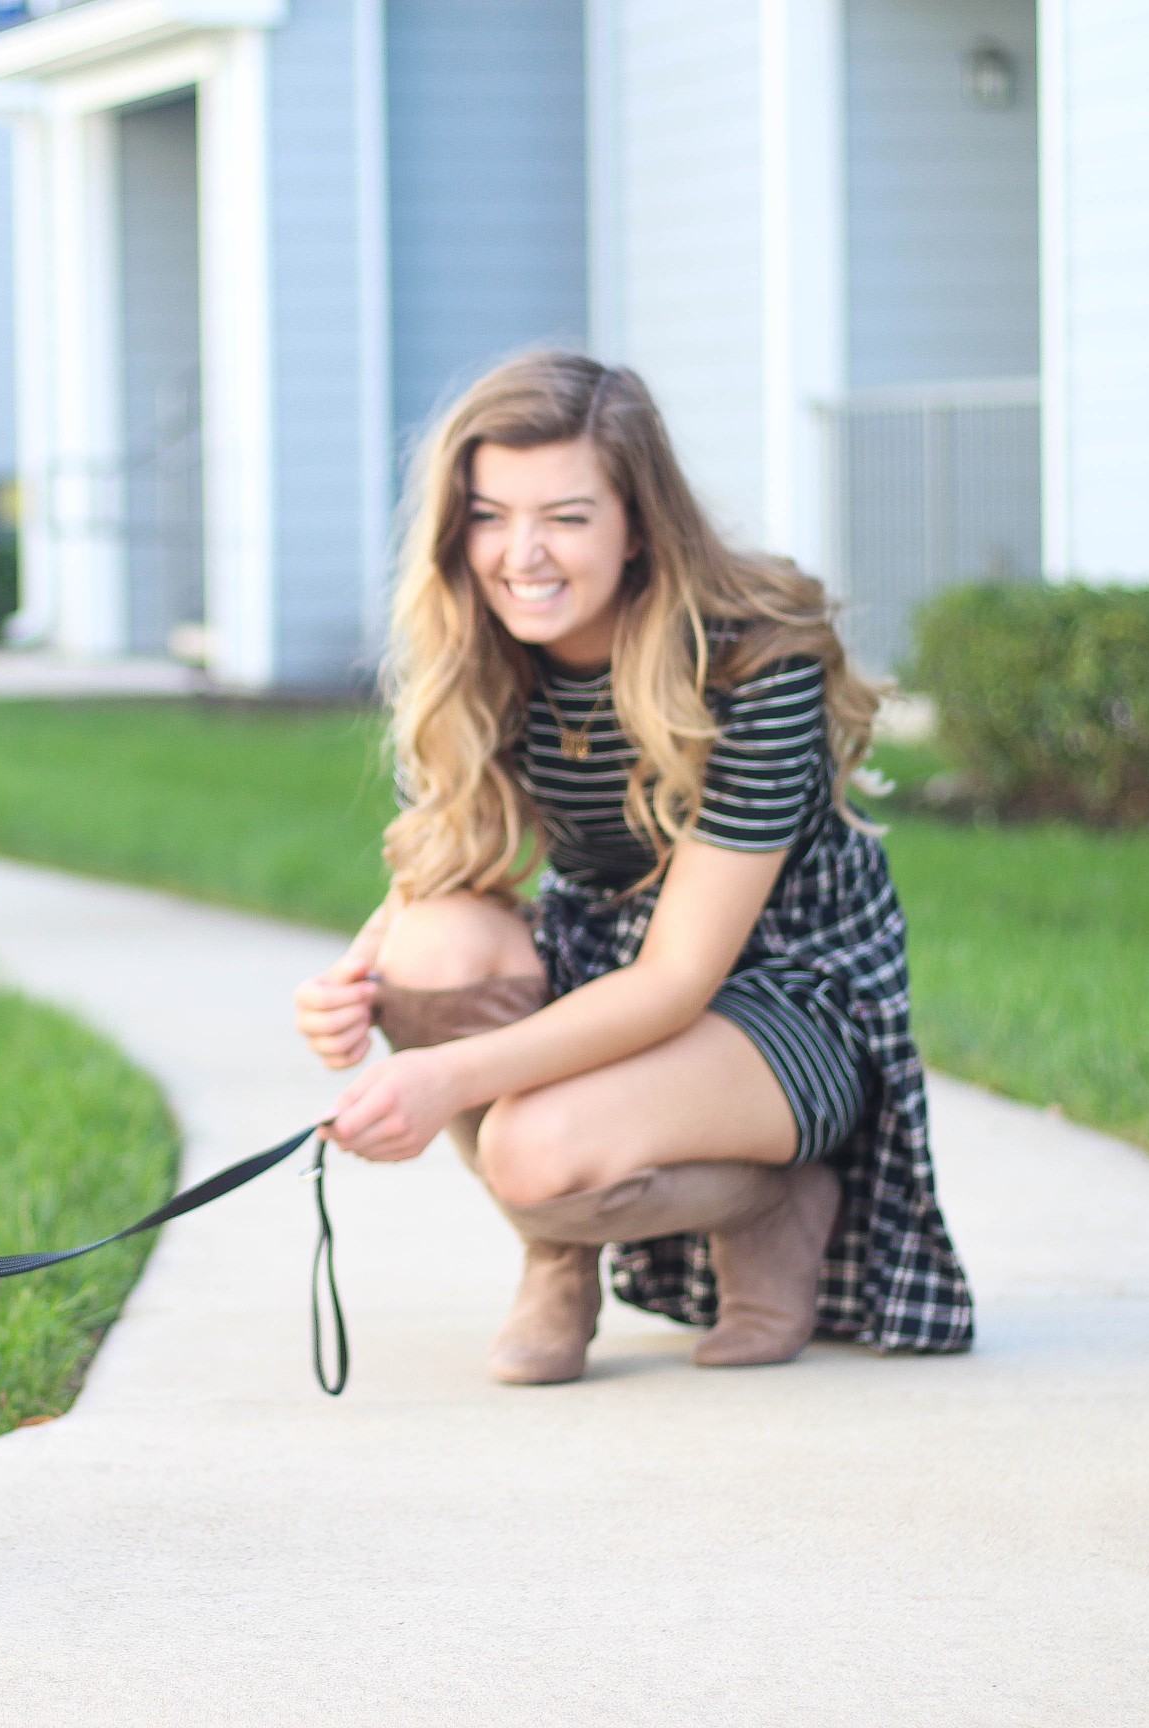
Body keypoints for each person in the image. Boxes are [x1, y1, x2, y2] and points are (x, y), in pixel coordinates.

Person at [295, 352, 971, 1385]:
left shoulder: (752, 660)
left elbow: (678, 977)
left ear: (638, 525)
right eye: (489, 515)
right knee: (431, 950)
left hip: (786, 986)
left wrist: (444, 1076)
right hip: (611, 953)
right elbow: (435, 863)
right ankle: (557, 1267)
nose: (522, 555)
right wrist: (352, 984)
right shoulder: (479, 646)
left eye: (565, 516)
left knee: (529, 1146)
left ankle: (784, 1198)